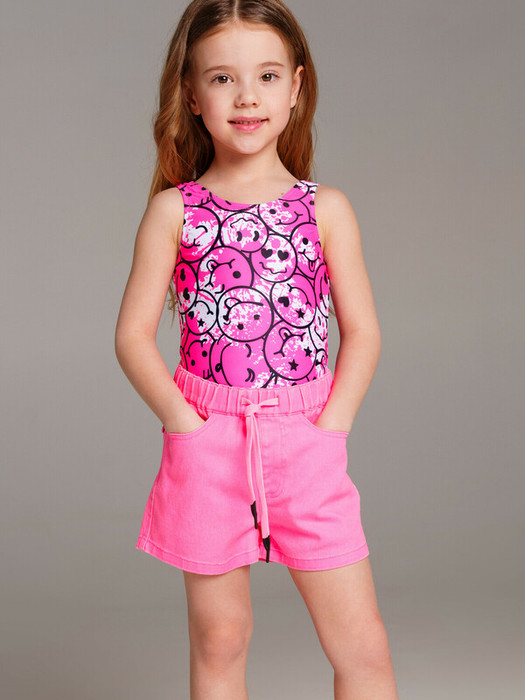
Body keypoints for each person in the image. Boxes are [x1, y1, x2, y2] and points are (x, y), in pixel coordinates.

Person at [115, 1, 399, 697]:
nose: (247, 97)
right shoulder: (175, 211)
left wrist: (331, 425)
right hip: (206, 441)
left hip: (306, 439)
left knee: (360, 642)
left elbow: (362, 331)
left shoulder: (325, 209)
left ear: (296, 87)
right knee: (221, 637)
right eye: (222, 79)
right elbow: (132, 336)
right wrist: (184, 423)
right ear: (191, 93)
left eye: (267, 76)